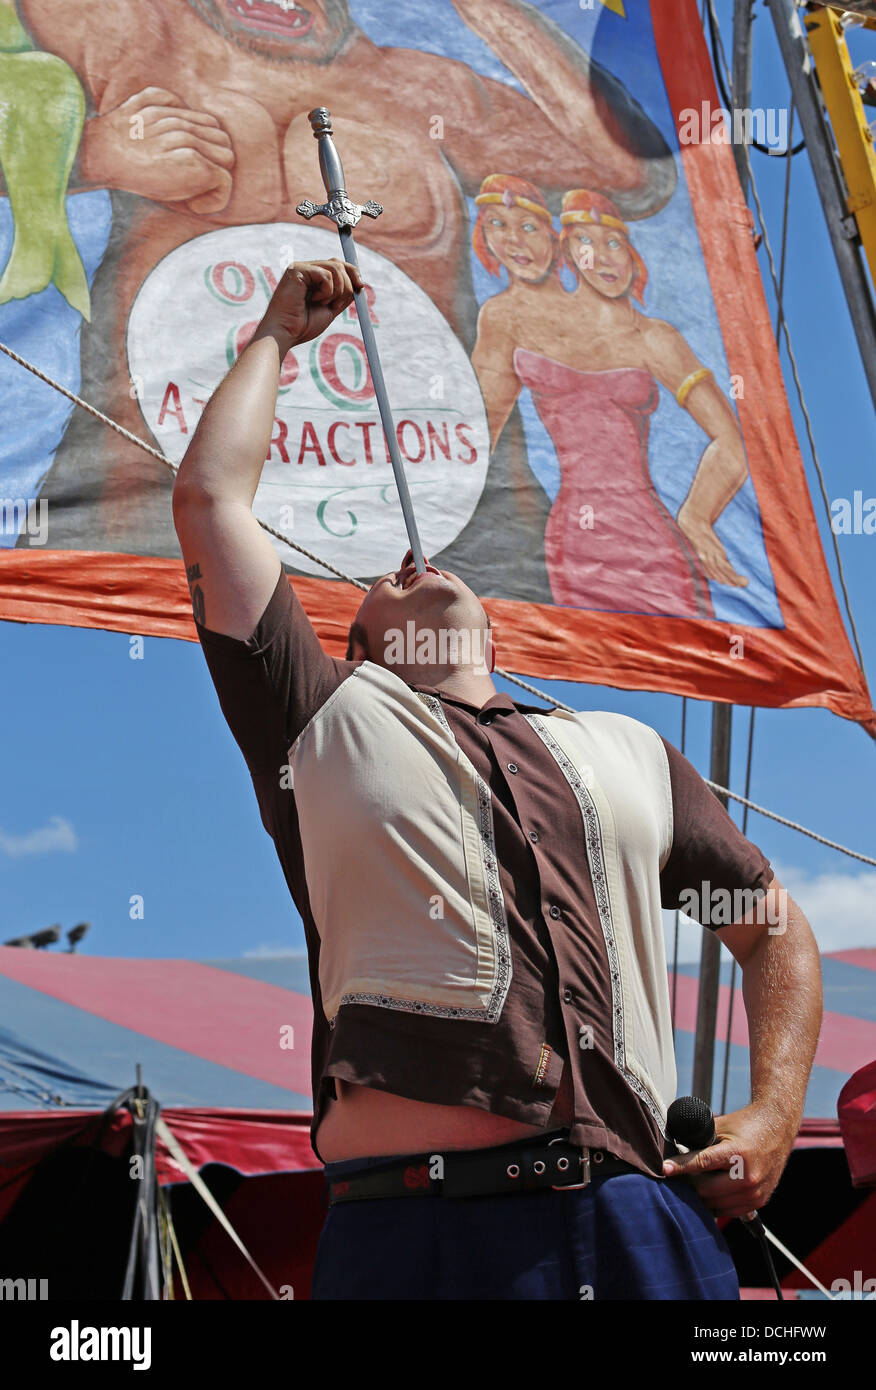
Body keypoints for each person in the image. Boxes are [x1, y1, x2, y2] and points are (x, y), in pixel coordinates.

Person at [172, 258, 823, 1301]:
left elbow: (768, 924)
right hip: (410, 1233)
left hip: (637, 1221)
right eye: (377, 591)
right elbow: (210, 499)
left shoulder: (627, 749)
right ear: (358, 650)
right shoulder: (324, 719)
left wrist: (778, 1109)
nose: (407, 565)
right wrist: (276, 338)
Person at [472, 187, 752, 617]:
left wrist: (696, 516)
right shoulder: (516, 320)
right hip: (573, 538)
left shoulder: (654, 337)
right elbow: (480, 434)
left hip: (651, 538)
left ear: (632, 254)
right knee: (586, 658)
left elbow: (730, 440)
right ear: (564, 250)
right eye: (586, 242)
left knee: (681, 652)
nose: (603, 257)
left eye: (614, 243)